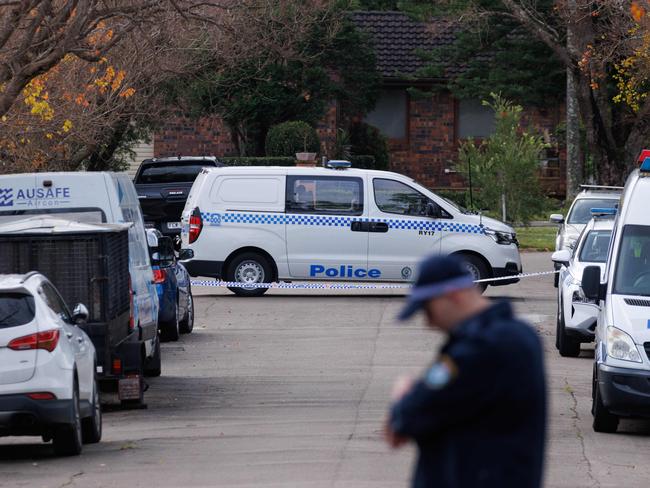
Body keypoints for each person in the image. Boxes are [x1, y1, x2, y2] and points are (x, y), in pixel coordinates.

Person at [385, 255, 546, 488]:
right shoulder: (521, 336)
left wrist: (402, 393)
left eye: (428, 310)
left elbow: (409, 417)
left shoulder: (479, 349)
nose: (428, 323)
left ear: (453, 295)